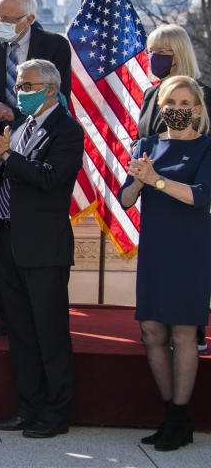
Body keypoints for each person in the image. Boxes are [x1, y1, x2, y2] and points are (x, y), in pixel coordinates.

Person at [0, 59, 84, 439]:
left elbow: (50, 179)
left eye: (28, 86)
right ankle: (28, 407)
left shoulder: (67, 131)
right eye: (19, 85)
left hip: (43, 247)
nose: (21, 93)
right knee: (22, 333)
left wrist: (7, 156)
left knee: (50, 333)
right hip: (9, 240)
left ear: (51, 89)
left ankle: (56, 414)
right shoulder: (21, 126)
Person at [0, 0, 72, 337]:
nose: (2, 25)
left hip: (38, 145)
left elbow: (60, 98)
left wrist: (14, 112)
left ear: (29, 19)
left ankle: (27, 317)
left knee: (26, 237)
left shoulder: (55, 46)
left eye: (10, 20)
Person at [119, 75, 211, 451]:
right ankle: (170, 414)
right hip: (155, 250)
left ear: (198, 109)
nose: (176, 109)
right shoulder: (146, 146)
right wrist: (140, 182)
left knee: (184, 334)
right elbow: (125, 201)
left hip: (189, 250)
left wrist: (155, 181)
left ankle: (180, 416)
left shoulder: (206, 147)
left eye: (184, 103)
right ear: (160, 107)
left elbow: (201, 197)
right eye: (170, 103)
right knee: (153, 333)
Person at [137, 24, 211, 354]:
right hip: (155, 209)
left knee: (185, 287)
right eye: (150, 51)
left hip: (189, 204)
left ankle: (190, 331)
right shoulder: (151, 94)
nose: (151, 58)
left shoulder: (201, 93)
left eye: (158, 53)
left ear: (177, 55)